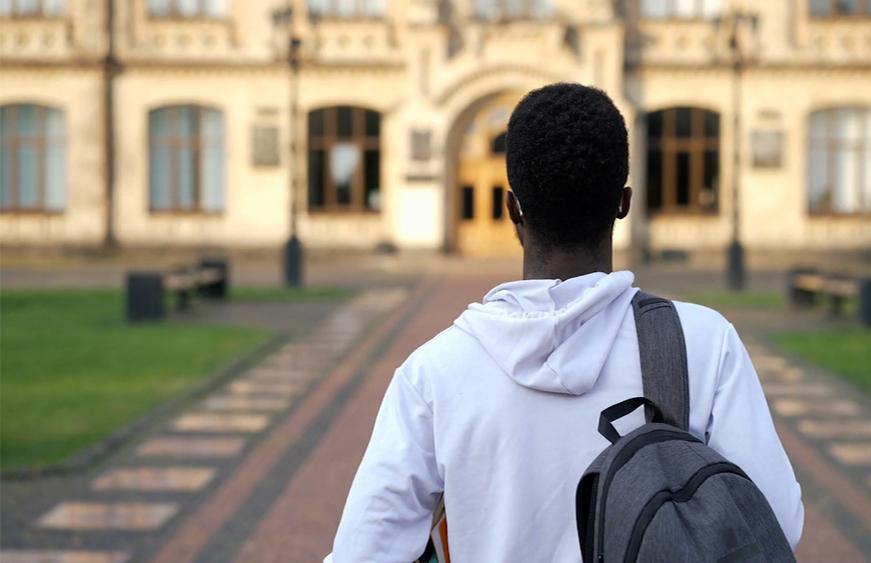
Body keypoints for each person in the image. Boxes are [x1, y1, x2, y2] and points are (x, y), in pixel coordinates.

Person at [326, 83, 804, 562]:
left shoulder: (433, 373)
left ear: (512, 208)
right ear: (623, 203)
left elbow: (363, 552)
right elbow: (776, 521)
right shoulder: (702, 343)